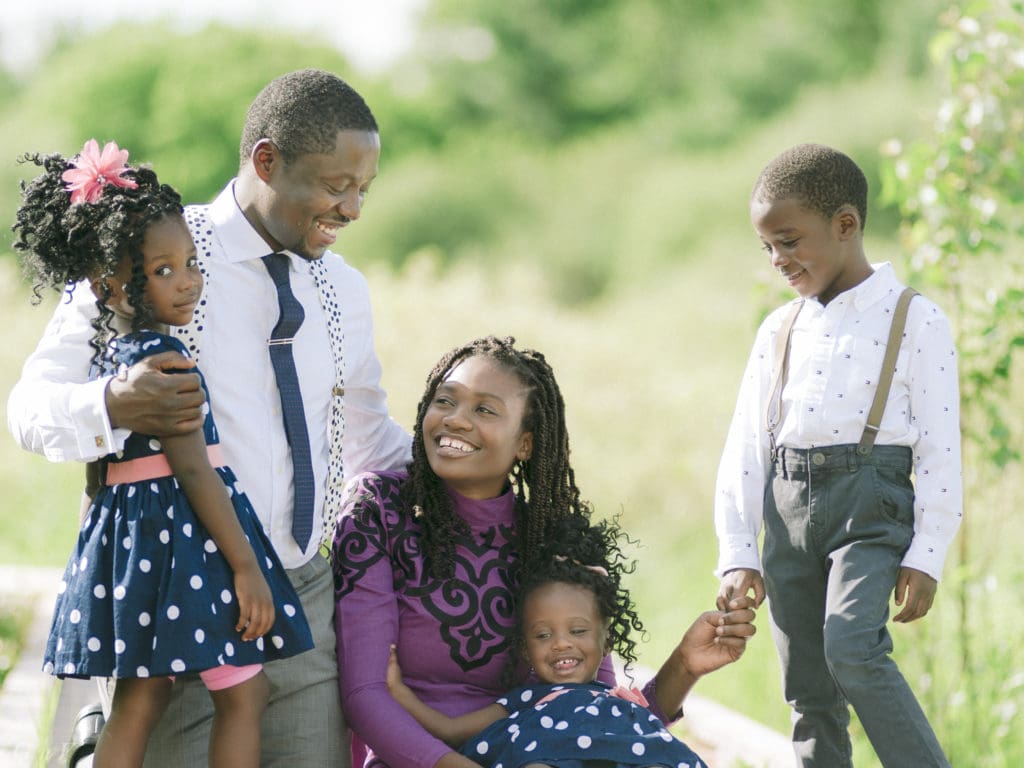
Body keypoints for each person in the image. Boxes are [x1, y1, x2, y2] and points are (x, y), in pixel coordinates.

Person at [7, 69, 411, 768]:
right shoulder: (147, 251)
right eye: (336, 186)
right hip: (178, 593)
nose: (351, 209)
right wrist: (111, 403)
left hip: (301, 596)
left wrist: (500, 488)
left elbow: (371, 436)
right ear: (266, 161)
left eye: (363, 189)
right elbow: (30, 409)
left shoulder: (346, 289)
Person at [14, 140, 314, 768]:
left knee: (139, 697)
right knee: (245, 691)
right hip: (192, 548)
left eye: (191, 262)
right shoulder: (168, 366)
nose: (188, 282)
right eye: (163, 270)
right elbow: (197, 470)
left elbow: (98, 479)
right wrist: (246, 568)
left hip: (135, 549)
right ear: (111, 285)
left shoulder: (115, 363)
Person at [332, 335, 757, 768]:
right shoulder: (378, 510)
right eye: (445, 400)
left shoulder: (552, 537)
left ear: (525, 444)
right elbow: (365, 694)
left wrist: (684, 666)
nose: (456, 420)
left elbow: (594, 716)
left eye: (484, 409)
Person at [713, 143, 962, 767]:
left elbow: (939, 446)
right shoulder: (779, 329)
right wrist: (739, 551)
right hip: (786, 512)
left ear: (845, 225)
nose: (777, 260)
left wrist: (927, 551)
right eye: (767, 247)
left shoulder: (916, 319)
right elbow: (748, 442)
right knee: (808, 687)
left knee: (851, 647)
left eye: (790, 241)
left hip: (869, 510)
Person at [386, 514, 709, 768]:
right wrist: (400, 693)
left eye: (578, 631)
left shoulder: (620, 702)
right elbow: (451, 731)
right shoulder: (527, 701)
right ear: (526, 650)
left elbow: (653, 735)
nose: (561, 644)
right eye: (543, 635)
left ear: (606, 642)